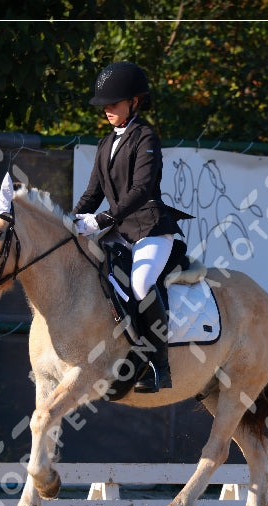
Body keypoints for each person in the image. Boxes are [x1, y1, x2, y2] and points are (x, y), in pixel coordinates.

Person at [73, 61, 187, 394]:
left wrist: (102, 220)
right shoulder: (104, 144)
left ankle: (159, 366)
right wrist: (70, 221)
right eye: (105, 104)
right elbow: (93, 193)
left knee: (139, 283)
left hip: (151, 228)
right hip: (119, 234)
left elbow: (140, 189)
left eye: (114, 102)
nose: (107, 109)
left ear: (134, 102)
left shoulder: (146, 137)